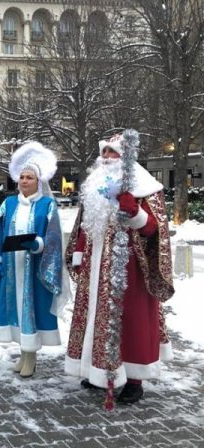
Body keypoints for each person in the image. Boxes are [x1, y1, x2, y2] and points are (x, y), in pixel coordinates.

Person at [65, 131, 174, 405]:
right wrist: (79, 252)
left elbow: (156, 230)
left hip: (130, 270)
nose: (106, 157)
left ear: (125, 157)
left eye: (112, 152)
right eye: (104, 152)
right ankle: (98, 371)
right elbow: (84, 224)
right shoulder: (94, 185)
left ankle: (134, 379)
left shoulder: (145, 187)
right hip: (95, 267)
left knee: (130, 321)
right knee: (96, 318)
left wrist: (135, 214)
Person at [0, 142, 71, 377]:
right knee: (14, 310)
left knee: (31, 309)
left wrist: (37, 244)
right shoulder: (8, 203)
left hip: (34, 268)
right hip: (12, 268)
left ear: (38, 181)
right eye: (21, 177)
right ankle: (23, 354)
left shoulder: (46, 205)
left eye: (29, 177)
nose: (24, 181)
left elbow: (53, 237)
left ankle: (30, 356)